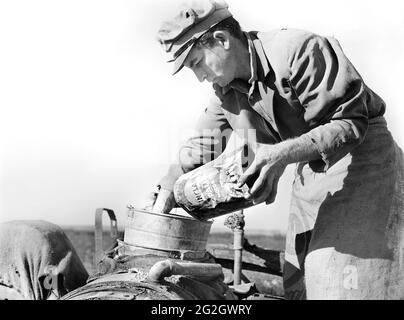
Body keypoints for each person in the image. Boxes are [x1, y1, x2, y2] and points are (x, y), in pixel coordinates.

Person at [149, 0, 404, 299]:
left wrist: (281, 154)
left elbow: (350, 123)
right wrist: (166, 190)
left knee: (342, 281)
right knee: (299, 282)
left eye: (197, 63)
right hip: (309, 168)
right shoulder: (225, 91)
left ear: (221, 40)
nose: (200, 76)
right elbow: (202, 145)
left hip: (364, 161)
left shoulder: (298, 49)